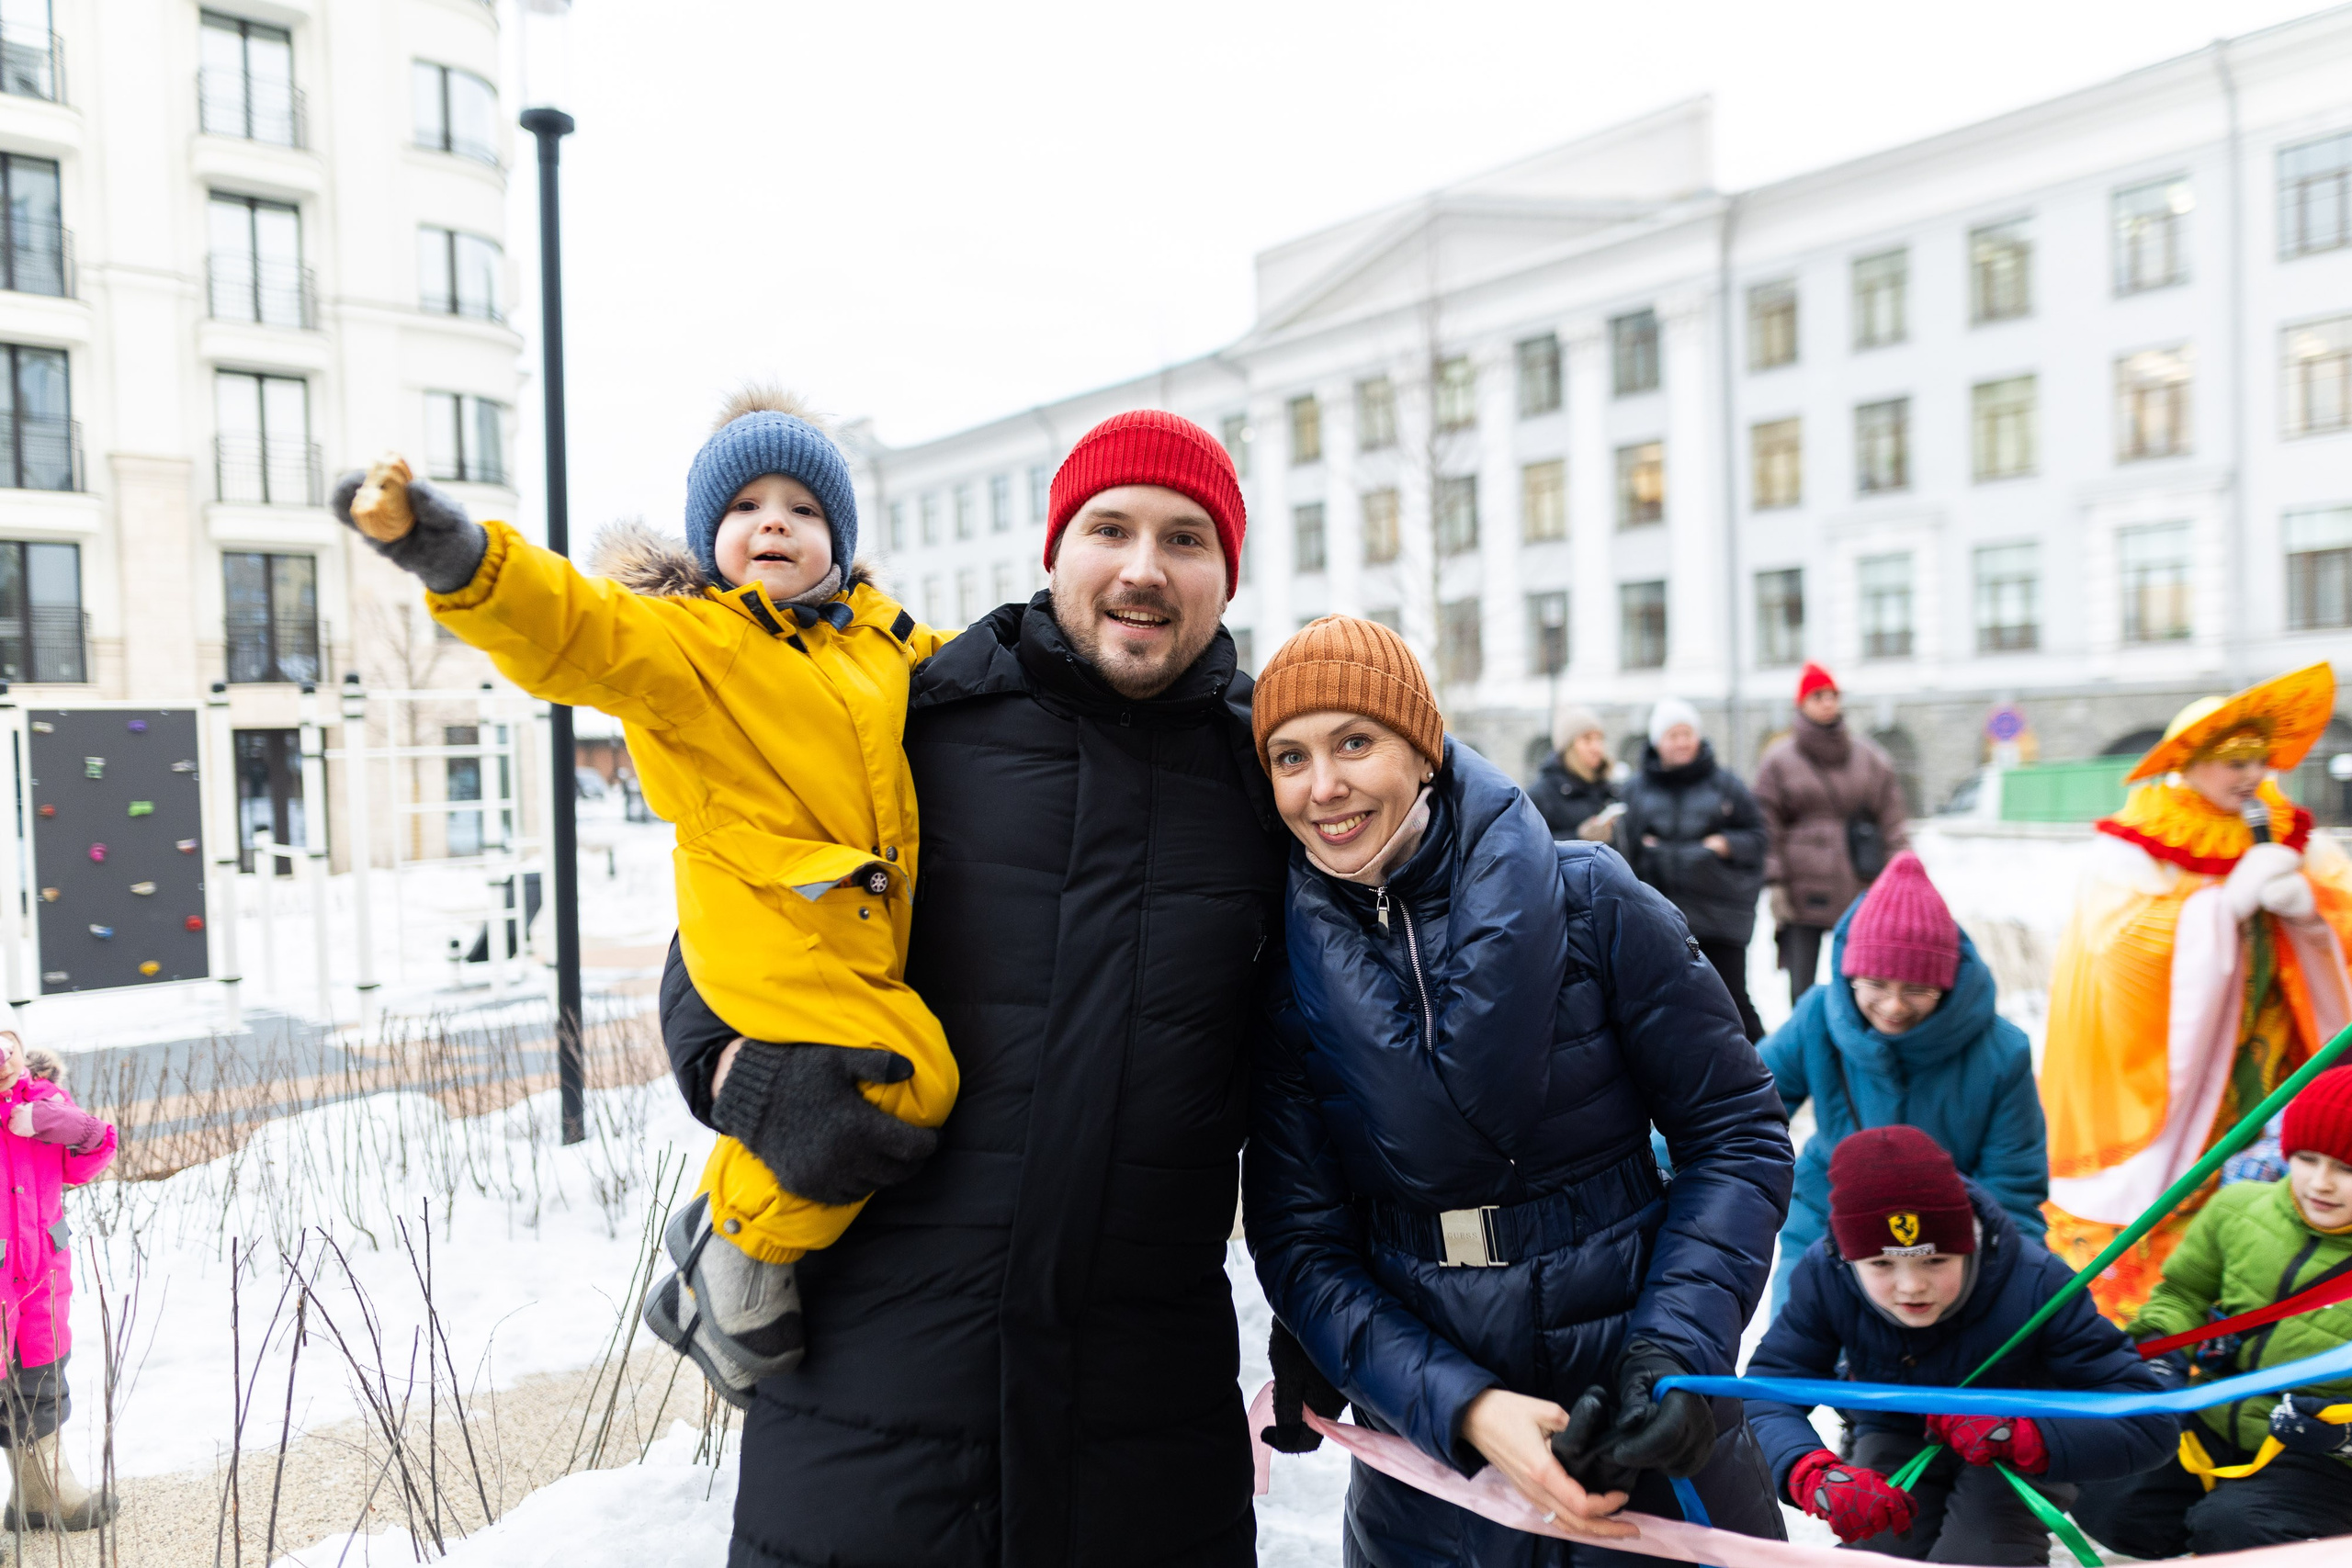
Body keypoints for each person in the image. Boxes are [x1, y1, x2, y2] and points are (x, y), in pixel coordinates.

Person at [662, 409, 1288, 1565]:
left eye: (1186, 538)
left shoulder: (1266, 784)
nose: (1144, 568)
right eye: (1110, 528)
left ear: (1225, 575)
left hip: (1146, 1430)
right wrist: (743, 1075)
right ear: (1055, 550)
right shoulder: (911, 719)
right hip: (876, 1403)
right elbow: (727, 909)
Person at [333, 391, 957, 1407]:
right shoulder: (689, 646)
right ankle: (733, 1244)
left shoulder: (886, 643)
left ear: (839, 540)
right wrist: (460, 558)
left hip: (849, 931)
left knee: (883, 1072)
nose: (774, 524)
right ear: (710, 537)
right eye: (746, 504)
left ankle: (728, 1232)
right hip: (763, 925)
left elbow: (983, 670)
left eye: (803, 508)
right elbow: (573, 626)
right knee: (908, 1074)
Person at [1244, 615, 1795, 1566]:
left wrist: (1673, 1356)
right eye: (1289, 757)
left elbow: (1736, 1135)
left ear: (1421, 749)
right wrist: (1462, 1407)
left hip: (1640, 1420)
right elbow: (1302, 1244)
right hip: (1430, 1478)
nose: (1322, 785)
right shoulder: (1283, 977)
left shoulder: (1591, 900)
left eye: (1354, 742)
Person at [2040, 663, 2352, 1323]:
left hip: (2271, 1034)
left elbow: (2340, 908)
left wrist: (2310, 913)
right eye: (2229, 760)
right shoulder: (2136, 841)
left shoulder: (2288, 828)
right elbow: (2112, 949)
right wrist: (2222, 906)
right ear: (2189, 761)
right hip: (2177, 1053)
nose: (2248, 775)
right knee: (2192, 1165)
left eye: (2257, 759)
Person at [1746, 1127, 2173, 1567]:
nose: (1911, 1286)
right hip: (1893, 1433)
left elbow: (2147, 1424)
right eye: (1881, 1264)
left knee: (1980, 1553)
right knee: (1881, 1554)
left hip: (2020, 1444)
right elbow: (1766, 1394)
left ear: (1969, 1244)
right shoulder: (1826, 1275)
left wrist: (2023, 1435)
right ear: (1846, 1257)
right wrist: (1811, 1473)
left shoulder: (2038, 1282)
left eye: (1935, 1260)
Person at [2072, 1065, 2352, 1556]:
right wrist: (2160, 1355)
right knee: (2107, 1495)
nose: (2321, 1184)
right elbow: (2182, 1295)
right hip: (2214, 1414)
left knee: (2235, 1527)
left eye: (2347, 1170)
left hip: (2323, 1454)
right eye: (2308, 1159)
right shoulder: (2236, 1210)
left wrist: (2343, 1434)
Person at [1758, 851, 2047, 1310]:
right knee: (1797, 1349)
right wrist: (1655, 1165)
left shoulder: (2002, 1053)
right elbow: (1741, 1108)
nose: (1894, 1006)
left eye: (1916, 990)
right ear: (1850, 975)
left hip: (1946, 1241)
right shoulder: (1818, 1015)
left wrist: (2013, 1287)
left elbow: (2013, 1188)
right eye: (1875, 984)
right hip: (1827, 1217)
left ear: (1946, 986)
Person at [0, 1032, 117, 1531]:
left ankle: (37, 1500)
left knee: (41, 1384)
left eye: (7, 1044)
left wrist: (48, 1121)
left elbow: (93, 1150)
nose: (4, 1059)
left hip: (43, 1276)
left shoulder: (41, 1101)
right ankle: (40, 1501)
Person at [1754, 663, 1908, 1004]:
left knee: (1857, 984)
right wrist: (1775, 883)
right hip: (1800, 891)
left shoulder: (1870, 758)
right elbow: (1766, 826)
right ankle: (1806, 1053)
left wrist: (1903, 875)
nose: (1827, 703)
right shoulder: (1778, 761)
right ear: (1802, 704)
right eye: (1817, 696)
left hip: (1858, 884)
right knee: (1802, 992)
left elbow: (1892, 820)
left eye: (1832, 695)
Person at [1619, 696, 1768, 1041]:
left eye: (1688, 733)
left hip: (1720, 917)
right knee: (1673, 1004)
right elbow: (1626, 853)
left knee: (1733, 1001)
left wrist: (1726, 845)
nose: (1682, 742)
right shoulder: (1635, 791)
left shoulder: (1726, 784)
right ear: (1658, 741)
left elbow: (1758, 838)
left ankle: (1768, 1071)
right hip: (1664, 919)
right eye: (1673, 735)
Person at [1532, 703, 1621, 842]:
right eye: (1587, 739)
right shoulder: (1542, 795)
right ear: (1568, 747)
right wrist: (1579, 838)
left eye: (1599, 739)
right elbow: (1532, 847)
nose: (1596, 748)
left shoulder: (1609, 789)